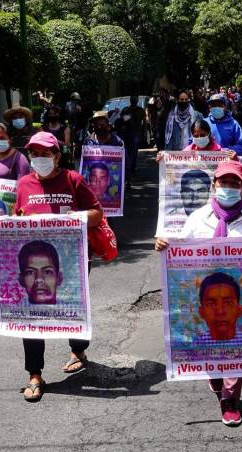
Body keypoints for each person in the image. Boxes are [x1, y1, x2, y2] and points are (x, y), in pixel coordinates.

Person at [155, 160, 242, 426]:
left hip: (237, 299)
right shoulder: (197, 218)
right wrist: (165, 246)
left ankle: (230, 399)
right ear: (214, 185)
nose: (228, 187)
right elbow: (181, 260)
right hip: (207, 298)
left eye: (234, 183)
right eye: (224, 182)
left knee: (237, 345)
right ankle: (214, 374)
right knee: (212, 349)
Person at [13, 132, 103, 402]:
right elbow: (18, 219)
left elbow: (97, 214)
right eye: (35, 153)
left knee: (73, 307)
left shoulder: (72, 179)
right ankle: (34, 374)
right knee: (32, 315)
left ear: (57, 156)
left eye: (45, 153)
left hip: (73, 260)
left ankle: (78, 350)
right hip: (35, 263)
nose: (39, 158)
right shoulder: (23, 184)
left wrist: (73, 217)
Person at [18, 240, 62, 305]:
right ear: (21, 280)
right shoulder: (10, 312)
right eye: (30, 272)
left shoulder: (73, 310)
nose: (39, 279)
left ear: (59, 278)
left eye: (47, 272)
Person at [205, 94, 242, 161]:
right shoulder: (204, 123)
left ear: (225, 107)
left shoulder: (233, 124)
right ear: (209, 107)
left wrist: (228, 151)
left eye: (219, 105)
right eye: (213, 105)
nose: (216, 107)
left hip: (228, 163)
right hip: (208, 163)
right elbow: (193, 142)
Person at [115, 95, 145, 178]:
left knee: (134, 152)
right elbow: (121, 120)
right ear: (130, 100)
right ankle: (127, 168)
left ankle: (132, 168)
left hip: (136, 134)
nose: (134, 100)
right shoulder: (126, 109)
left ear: (137, 100)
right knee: (127, 151)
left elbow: (144, 122)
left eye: (135, 98)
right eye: (132, 98)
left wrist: (143, 133)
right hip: (126, 134)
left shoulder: (140, 110)